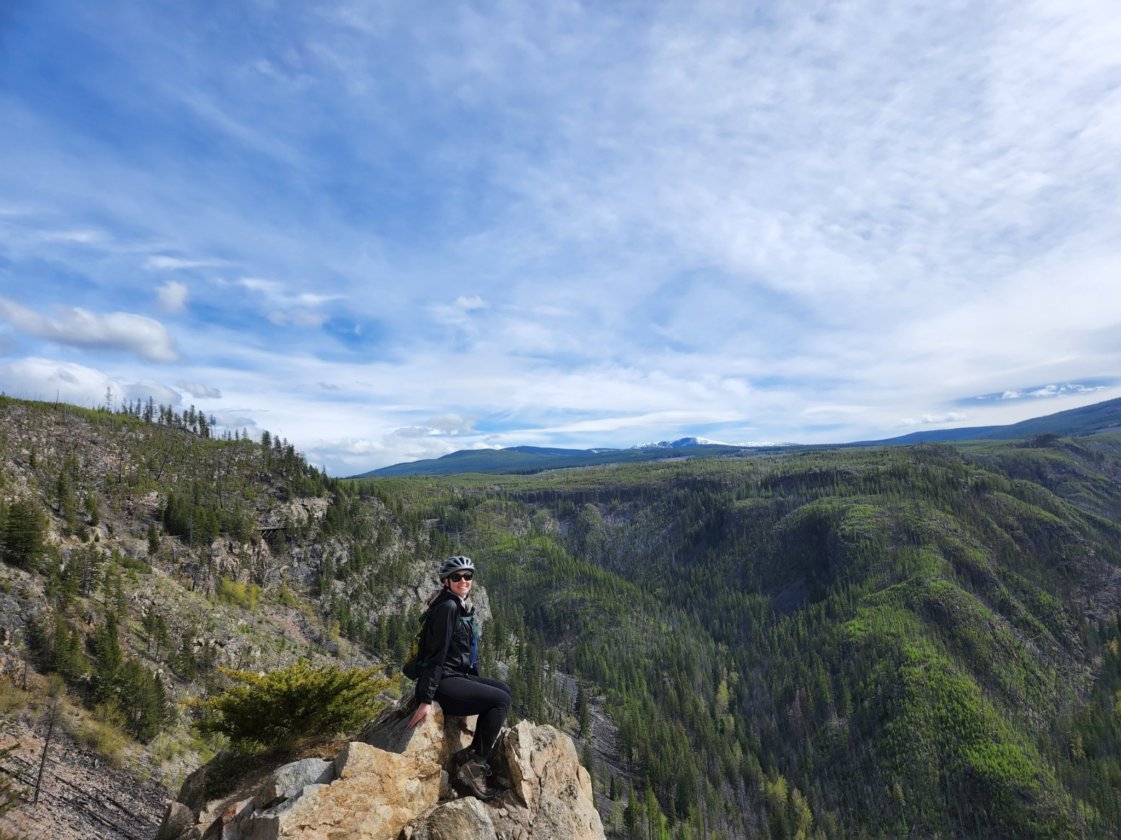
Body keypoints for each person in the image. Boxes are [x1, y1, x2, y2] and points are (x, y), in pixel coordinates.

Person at [406, 555, 512, 799]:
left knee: (504, 690)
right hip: (443, 682)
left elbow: (467, 653)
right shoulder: (448, 608)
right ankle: (474, 768)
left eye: (468, 576)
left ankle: (470, 753)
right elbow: (436, 655)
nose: (463, 580)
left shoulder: (460, 605)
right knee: (500, 700)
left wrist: (476, 687)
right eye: (457, 577)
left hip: (456, 675)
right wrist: (425, 699)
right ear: (446, 581)